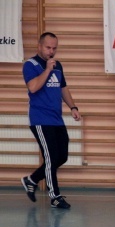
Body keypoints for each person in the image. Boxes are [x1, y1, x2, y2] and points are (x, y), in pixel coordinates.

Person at [21, 32, 81, 209]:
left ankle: (31, 180)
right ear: (39, 46)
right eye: (48, 48)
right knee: (51, 156)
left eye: (54, 48)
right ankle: (55, 197)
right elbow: (33, 87)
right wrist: (47, 69)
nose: (51, 51)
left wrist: (73, 107)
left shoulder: (58, 65)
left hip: (57, 119)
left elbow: (63, 88)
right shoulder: (30, 65)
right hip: (40, 119)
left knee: (61, 156)